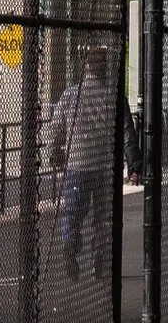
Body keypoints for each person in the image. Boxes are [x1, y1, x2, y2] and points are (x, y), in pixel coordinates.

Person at [45, 45, 116, 281]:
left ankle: (69, 241)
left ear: (84, 67)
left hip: (77, 162)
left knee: (73, 211)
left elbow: (56, 128)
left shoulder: (70, 95)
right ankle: (99, 262)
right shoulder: (109, 97)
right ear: (103, 68)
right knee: (102, 217)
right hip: (103, 165)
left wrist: (54, 151)